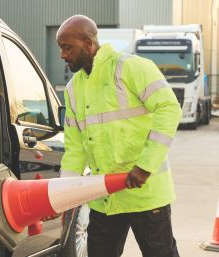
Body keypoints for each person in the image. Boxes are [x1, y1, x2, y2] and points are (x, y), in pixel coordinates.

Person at [56, 14, 182, 257]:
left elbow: (169, 109)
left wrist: (145, 166)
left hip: (145, 194)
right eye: (61, 48)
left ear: (88, 43)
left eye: (67, 47)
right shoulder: (73, 89)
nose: (63, 55)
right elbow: (75, 147)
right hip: (104, 198)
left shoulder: (132, 68)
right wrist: (65, 192)